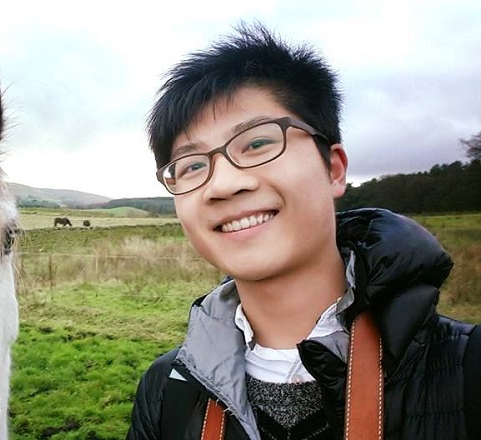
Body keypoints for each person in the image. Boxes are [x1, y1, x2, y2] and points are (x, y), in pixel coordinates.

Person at [126, 22, 480, 440]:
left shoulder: (467, 368)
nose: (222, 185)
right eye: (191, 166)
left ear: (333, 168)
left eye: (256, 144)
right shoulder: (165, 391)